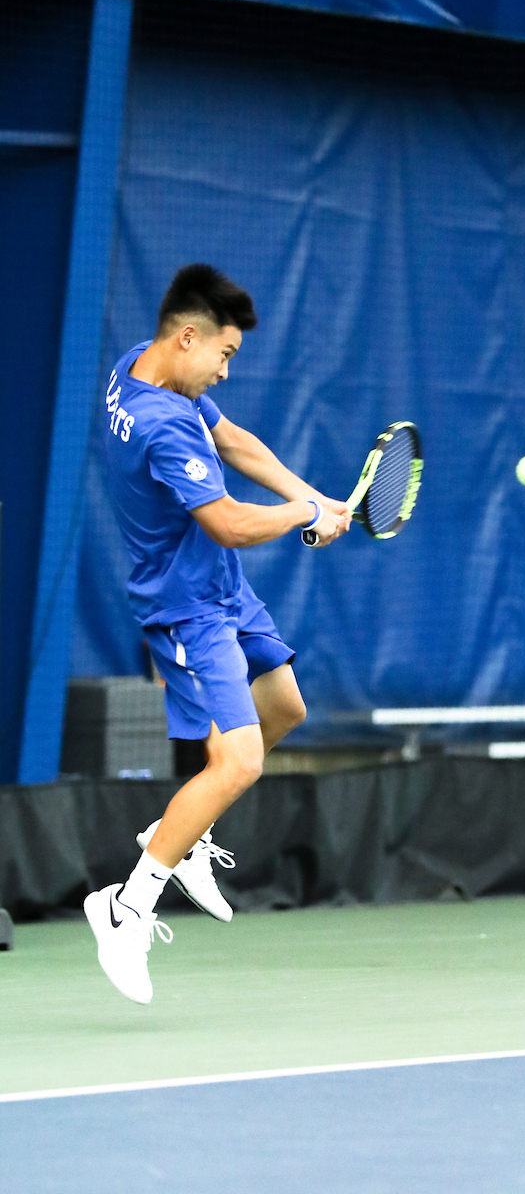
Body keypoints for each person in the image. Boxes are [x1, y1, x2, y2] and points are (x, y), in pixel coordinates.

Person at [84, 264, 350, 1004]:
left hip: (224, 592)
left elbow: (234, 442)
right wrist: (301, 518)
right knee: (237, 763)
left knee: (286, 710)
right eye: (225, 357)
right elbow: (228, 524)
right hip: (187, 609)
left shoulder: (143, 366)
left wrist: (311, 494)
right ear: (190, 337)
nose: (226, 373)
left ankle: (186, 830)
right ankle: (126, 905)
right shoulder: (165, 424)